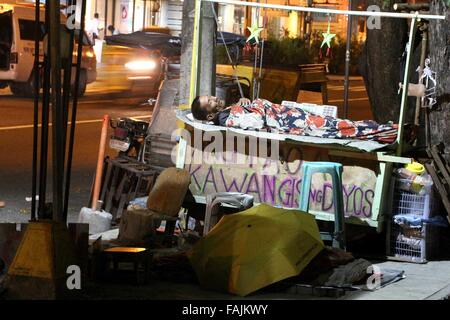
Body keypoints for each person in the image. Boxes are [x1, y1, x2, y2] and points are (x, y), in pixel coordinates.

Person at [191, 96, 398, 143]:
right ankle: (389, 133)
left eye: (209, 96)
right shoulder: (228, 119)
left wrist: (245, 104)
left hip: (293, 118)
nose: (213, 97)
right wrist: (255, 105)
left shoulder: (230, 111)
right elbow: (255, 122)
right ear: (210, 115)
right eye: (209, 101)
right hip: (294, 125)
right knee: (340, 129)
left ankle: (385, 130)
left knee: (340, 125)